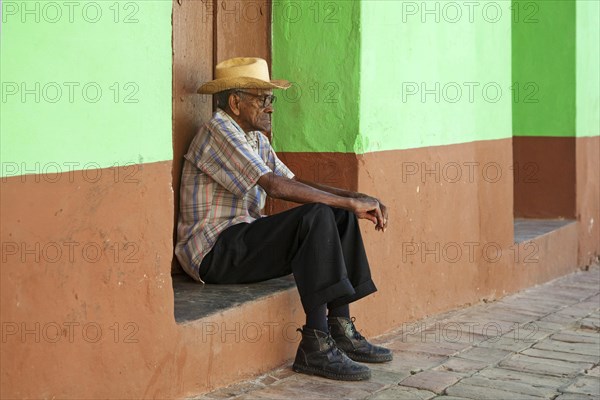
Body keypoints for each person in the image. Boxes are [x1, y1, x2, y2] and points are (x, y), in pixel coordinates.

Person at [175, 57, 392, 381]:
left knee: (336, 213)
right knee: (318, 214)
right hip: (213, 253)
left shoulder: (256, 139)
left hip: (241, 240)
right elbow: (275, 187)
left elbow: (295, 182)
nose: (270, 108)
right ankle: (315, 345)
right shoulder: (219, 130)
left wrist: (352, 199)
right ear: (235, 102)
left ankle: (340, 327)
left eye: (270, 100)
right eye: (262, 99)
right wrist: (347, 200)